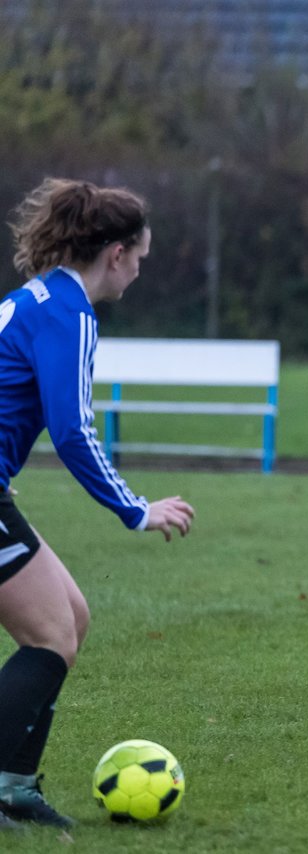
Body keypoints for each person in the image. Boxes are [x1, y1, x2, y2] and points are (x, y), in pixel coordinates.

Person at [0, 178, 195, 831]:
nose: (139, 270)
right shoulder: (71, 312)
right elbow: (73, 429)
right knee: (49, 635)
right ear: (115, 252)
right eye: (140, 256)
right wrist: (136, 509)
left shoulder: (38, 296)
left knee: (70, 620)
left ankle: (16, 787)